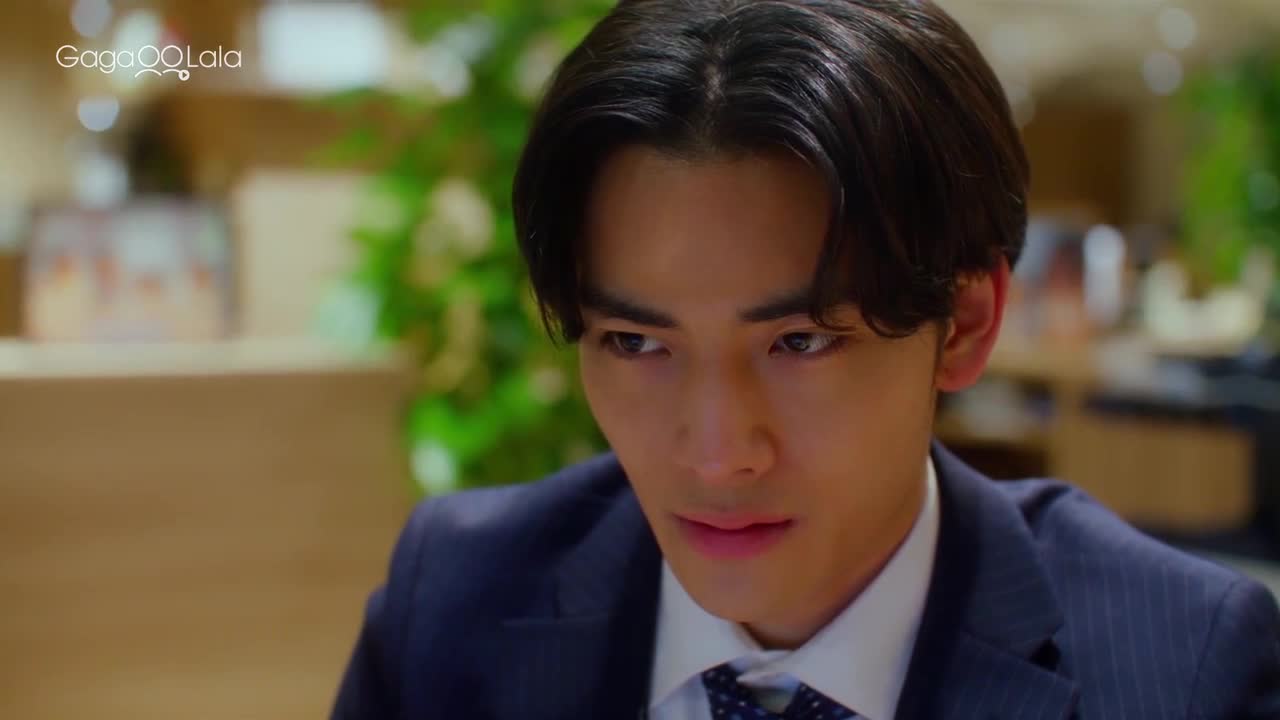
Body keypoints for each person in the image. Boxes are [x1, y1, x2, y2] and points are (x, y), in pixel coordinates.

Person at [332, 1, 1280, 718]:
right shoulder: (455, 604)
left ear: (965, 322)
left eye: (800, 342)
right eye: (636, 343)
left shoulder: (1183, 667)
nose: (716, 455)